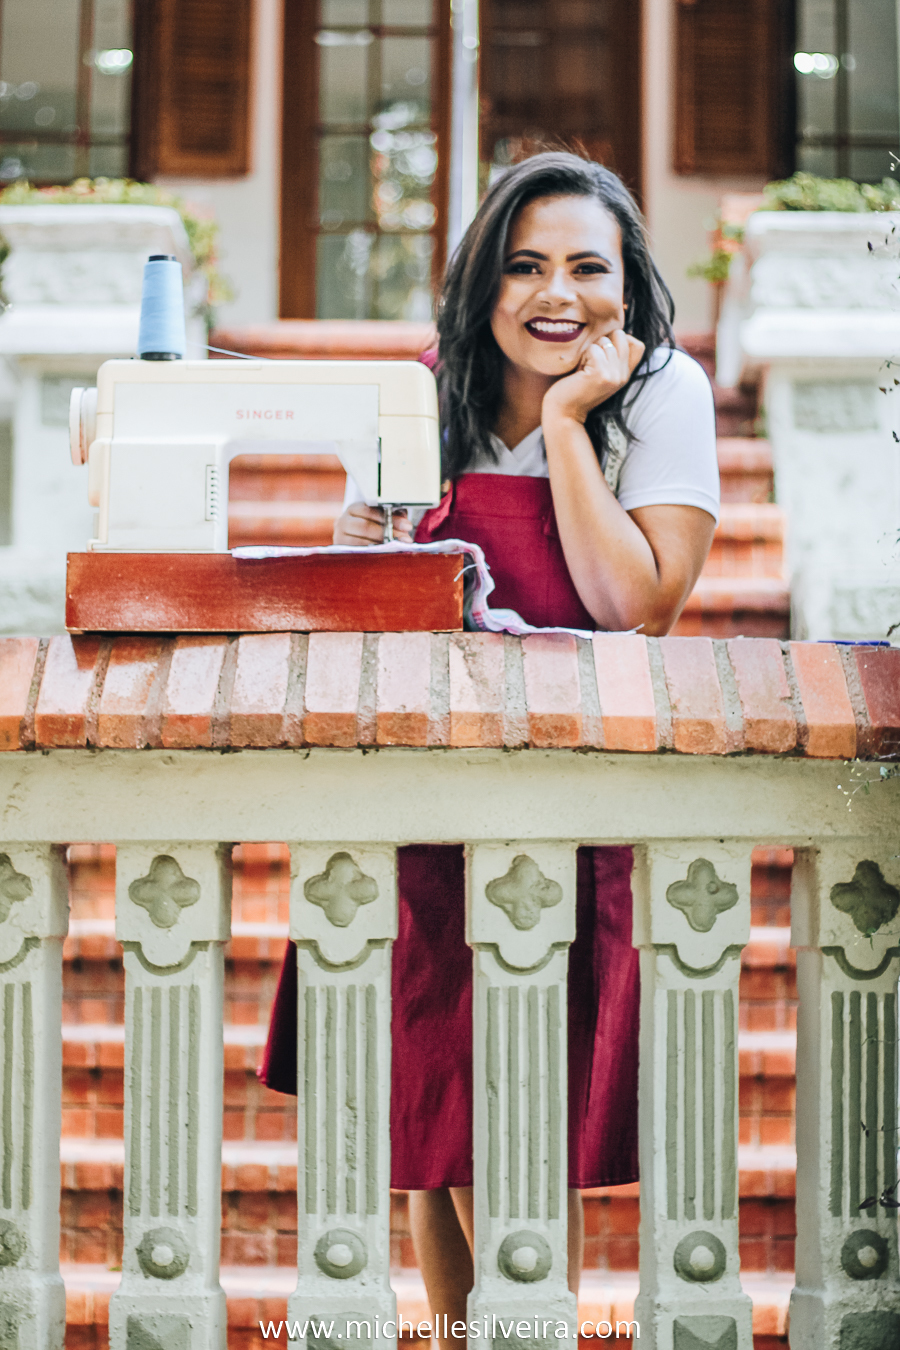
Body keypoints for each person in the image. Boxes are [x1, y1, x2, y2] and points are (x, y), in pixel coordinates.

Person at [260, 152, 718, 1344]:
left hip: (571, 790)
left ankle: (524, 1330)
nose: (554, 294)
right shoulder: (429, 390)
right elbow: (381, 593)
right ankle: (475, 1338)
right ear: (482, 281)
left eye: (586, 266)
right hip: (422, 788)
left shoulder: (662, 396)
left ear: (629, 281)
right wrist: (360, 541)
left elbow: (640, 606)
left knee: (526, 1115)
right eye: (523, 265)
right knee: (425, 1121)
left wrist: (569, 424)